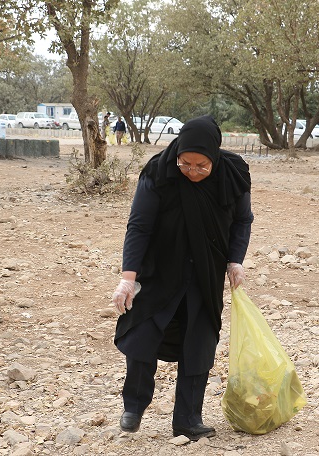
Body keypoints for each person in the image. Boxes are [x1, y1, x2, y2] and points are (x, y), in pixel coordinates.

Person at [111, 115, 253, 441]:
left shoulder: (232, 174)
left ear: (214, 157)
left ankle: (188, 420)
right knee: (142, 333)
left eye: (201, 166)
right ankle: (134, 406)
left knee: (200, 343)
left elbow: (242, 220)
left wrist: (235, 261)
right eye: (185, 163)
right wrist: (127, 278)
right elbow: (139, 225)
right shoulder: (159, 172)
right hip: (160, 269)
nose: (191, 171)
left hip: (205, 271)